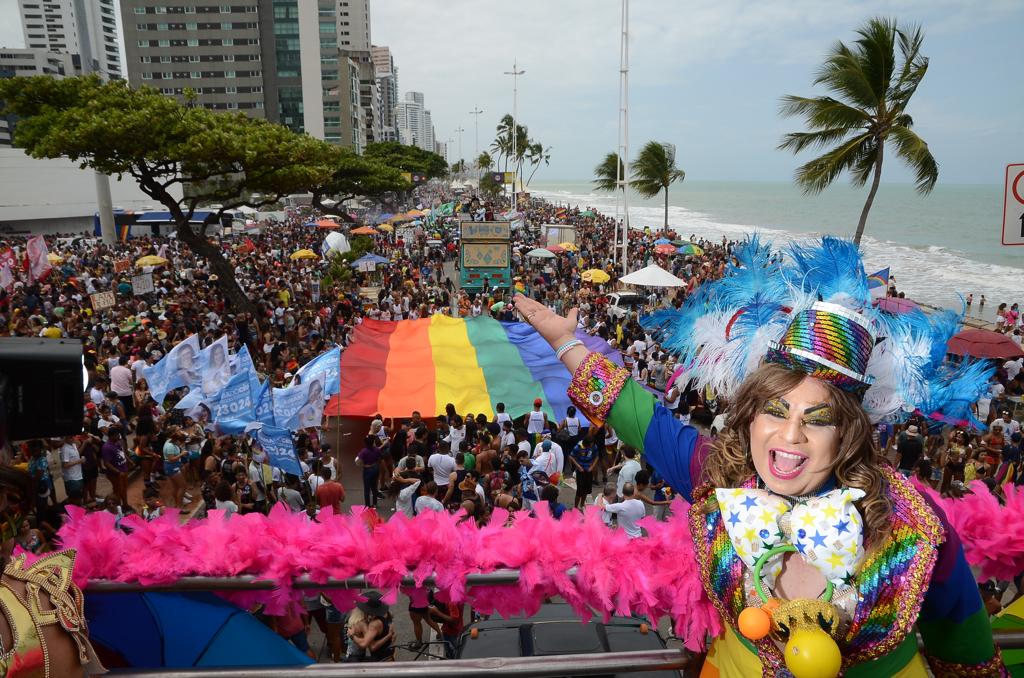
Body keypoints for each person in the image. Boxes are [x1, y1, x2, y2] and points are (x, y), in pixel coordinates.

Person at [514, 236, 1003, 675]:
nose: (790, 436)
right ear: (749, 417)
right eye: (775, 411)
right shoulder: (721, 474)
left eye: (818, 419)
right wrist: (563, 341)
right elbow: (638, 415)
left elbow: (967, 652)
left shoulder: (912, 522)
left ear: (850, 432)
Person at [348, 591, 395, 662]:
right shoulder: (387, 615)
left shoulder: (374, 624)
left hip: (380, 659)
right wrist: (389, 636)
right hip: (389, 654)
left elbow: (371, 646)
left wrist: (352, 636)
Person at [356, 435, 384, 508]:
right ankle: (375, 503)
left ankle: (367, 505)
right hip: (375, 468)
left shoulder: (364, 451)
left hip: (367, 470)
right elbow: (380, 458)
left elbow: (358, 461)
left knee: (367, 488)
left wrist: (364, 465)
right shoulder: (377, 449)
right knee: (374, 487)